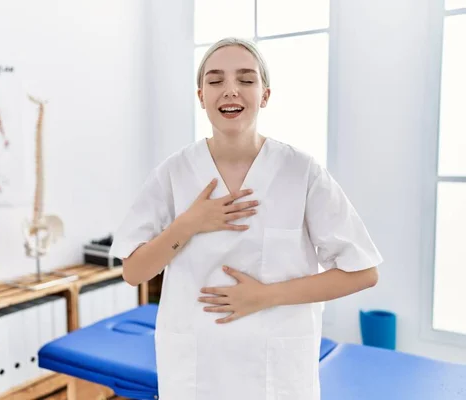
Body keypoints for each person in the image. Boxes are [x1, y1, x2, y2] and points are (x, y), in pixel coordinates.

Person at [109, 37, 383, 400]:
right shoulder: (174, 173)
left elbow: (363, 272)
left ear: (265, 95)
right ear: (200, 95)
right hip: (196, 370)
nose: (230, 90)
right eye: (216, 80)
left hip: (276, 372)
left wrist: (265, 296)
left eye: (246, 79)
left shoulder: (301, 172)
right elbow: (134, 272)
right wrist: (189, 223)